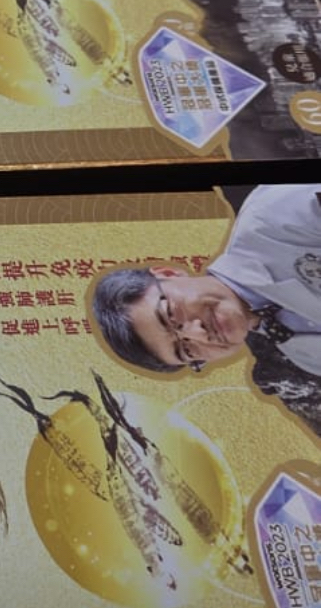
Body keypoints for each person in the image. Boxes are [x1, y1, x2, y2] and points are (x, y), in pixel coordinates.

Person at [90, 185, 321, 438]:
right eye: (187, 351)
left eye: (170, 315)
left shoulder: (271, 221)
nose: (199, 334)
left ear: (169, 273)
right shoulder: (305, 356)